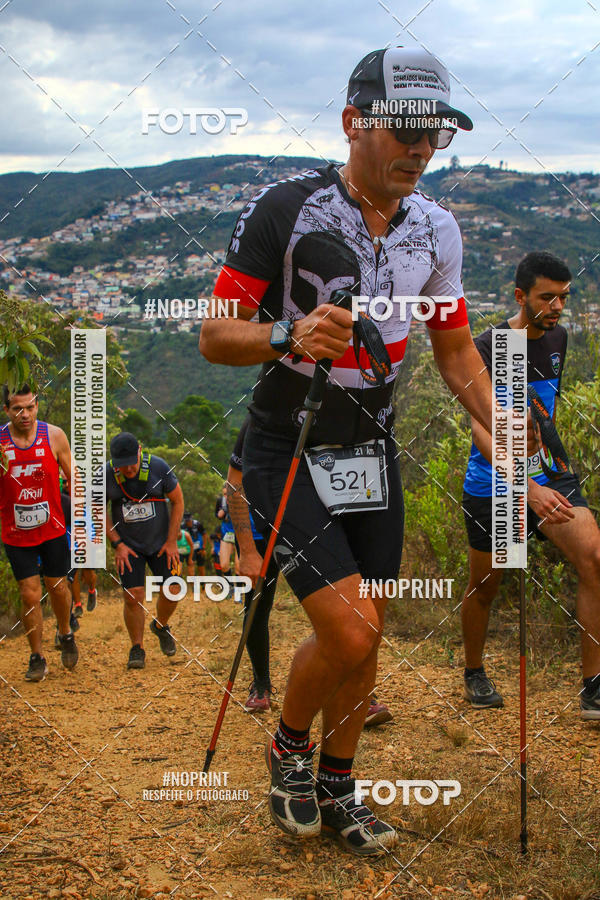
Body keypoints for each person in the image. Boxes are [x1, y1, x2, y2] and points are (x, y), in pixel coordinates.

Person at [200, 46, 495, 856]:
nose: (420, 148)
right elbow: (214, 335)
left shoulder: (437, 228)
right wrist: (284, 332)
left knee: (371, 627)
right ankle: (290, 746)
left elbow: (455, 350)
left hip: (369, 443)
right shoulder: (286, 208)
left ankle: (339, 783)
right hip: (285, 439)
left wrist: (495, 422)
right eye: (404, 129)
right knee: (352, 629)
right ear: (353, 122)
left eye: (434, 133)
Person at [461, 251, 600, 718]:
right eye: (548, 297)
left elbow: (544, 410)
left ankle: (593, 688)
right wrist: (524, 489)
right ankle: (474, 671)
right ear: (521, 296)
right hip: (496, 484)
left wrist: (547, 471)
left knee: (595, 557)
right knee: (487, 586)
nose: (558, 305)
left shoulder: (558, 337)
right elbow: (483, 430)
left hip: (548, 471)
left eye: (564, 296)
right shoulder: (491, 345)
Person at [230, 415, 394, 724]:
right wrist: (247, 550)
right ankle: (261, 684)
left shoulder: (344, 416)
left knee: (339, 610)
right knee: (256, 605)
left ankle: (356, 690)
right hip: (262, 527)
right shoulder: (263, 418)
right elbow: (235, 483)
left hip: (317, 526)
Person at [0, 384, 78, 680]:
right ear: (7, 410)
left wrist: (79, 502)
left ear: (37, 407)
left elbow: (73, 476)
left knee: (58, 587)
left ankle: (66, 632)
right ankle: (36, 656)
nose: (25, 414)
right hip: (16, 533)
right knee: (29, 594)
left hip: (53, 529)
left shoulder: (54, 435)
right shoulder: (0, 442)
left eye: (30, 407)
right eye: (18, 409)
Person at [105, 432, 184, 669]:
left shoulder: (159, 468)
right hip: (129, 547)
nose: (128, 469)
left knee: (173, 589)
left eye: (131, 463)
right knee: (133, 596)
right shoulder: (107, 475)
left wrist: (171, 542)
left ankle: (160, 625)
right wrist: (117, 544)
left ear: (140, 450)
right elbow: (96, 508)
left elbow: (178, 501)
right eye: (122, 465)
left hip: (161, 543)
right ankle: (137, 648)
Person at [215, 485, 236, 591]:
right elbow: (216, 514)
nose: (226, 497)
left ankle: (240, 592)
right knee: (223, 565)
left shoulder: (242, 501)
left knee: (240, 567)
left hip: (241, 533)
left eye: (228, 494)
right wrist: (220, 514)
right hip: (227, 533)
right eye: (224, 494)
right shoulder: (221, 501)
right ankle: (231, 587)